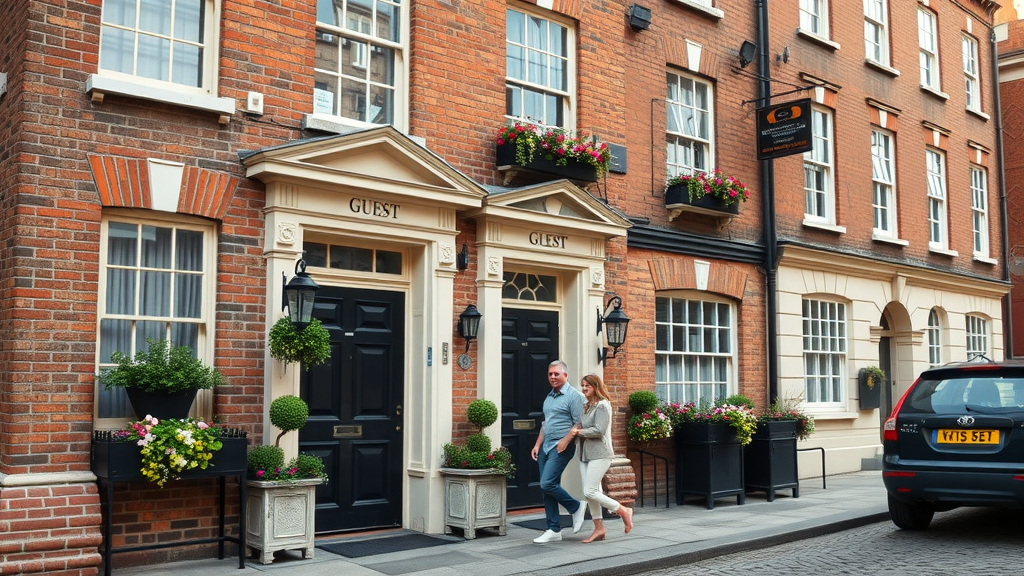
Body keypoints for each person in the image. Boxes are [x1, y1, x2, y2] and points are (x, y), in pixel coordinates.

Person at [569, 374, 634, 542]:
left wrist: (578, 432)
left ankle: (622, 510)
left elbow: (598, 430)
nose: (584, 389)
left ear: (596, 387)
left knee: (589, 491)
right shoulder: (588, 406)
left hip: (600, 453)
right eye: (582, 385)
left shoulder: (603, 406)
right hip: (585, 453)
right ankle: (599, 529)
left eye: (587, 386)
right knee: (591, 494)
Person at [530, 359, 587, 543]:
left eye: (557, 374)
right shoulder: (549, 397)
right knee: (546, 488)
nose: (553, 377)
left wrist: (566, 441)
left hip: (562, 446)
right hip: (546, 446)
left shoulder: (574, 396)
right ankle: (553, 529)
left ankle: (576, 507)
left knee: (547, 483)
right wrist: (538, 444)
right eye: (550, 374)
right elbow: (546, 424)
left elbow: (579, 423)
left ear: (565, 375)